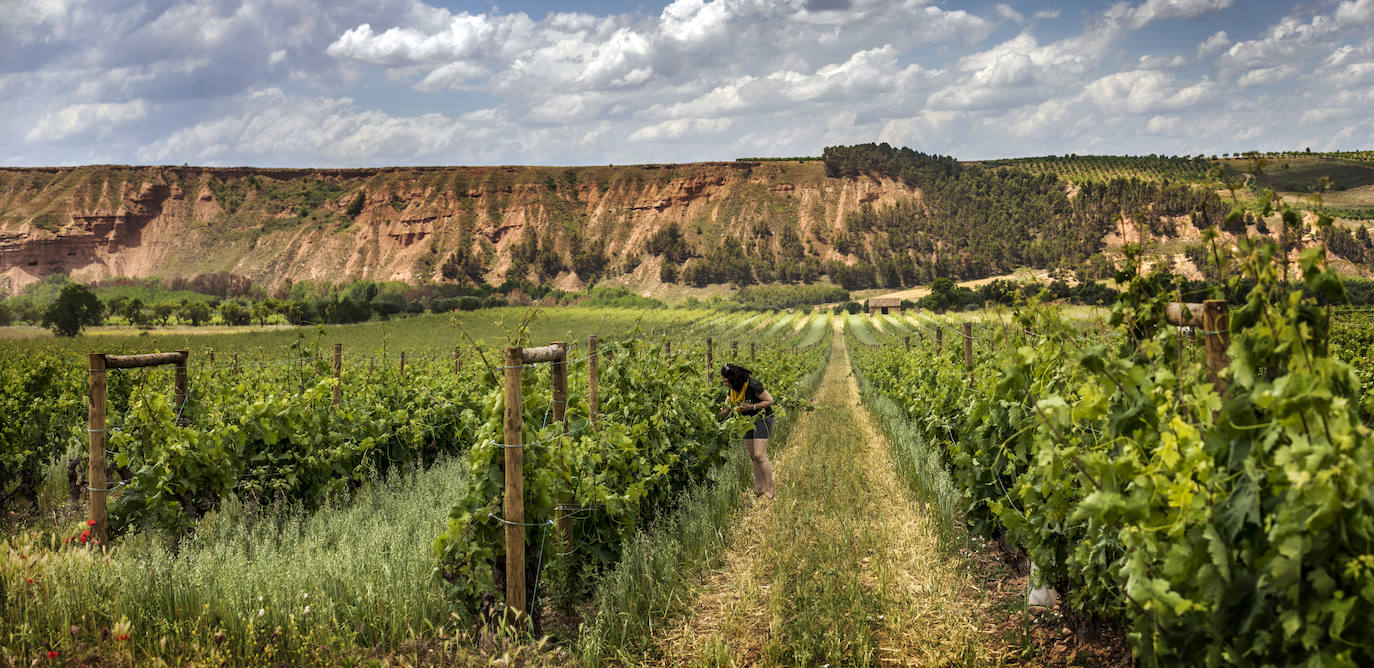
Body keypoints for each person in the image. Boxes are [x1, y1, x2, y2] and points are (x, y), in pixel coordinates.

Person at [717, 363, 775, 499]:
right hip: (746, 421)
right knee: (753, 456)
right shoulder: (733, 388)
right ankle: (758, 489)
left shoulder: (753, 384)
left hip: (762, 417)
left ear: (734, 378)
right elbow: (727, 407)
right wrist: (715, 418)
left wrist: (752, 406)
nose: (724, 383)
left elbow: (770, 400)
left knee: (760, 455)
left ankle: (769, 490)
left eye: (726, 381)